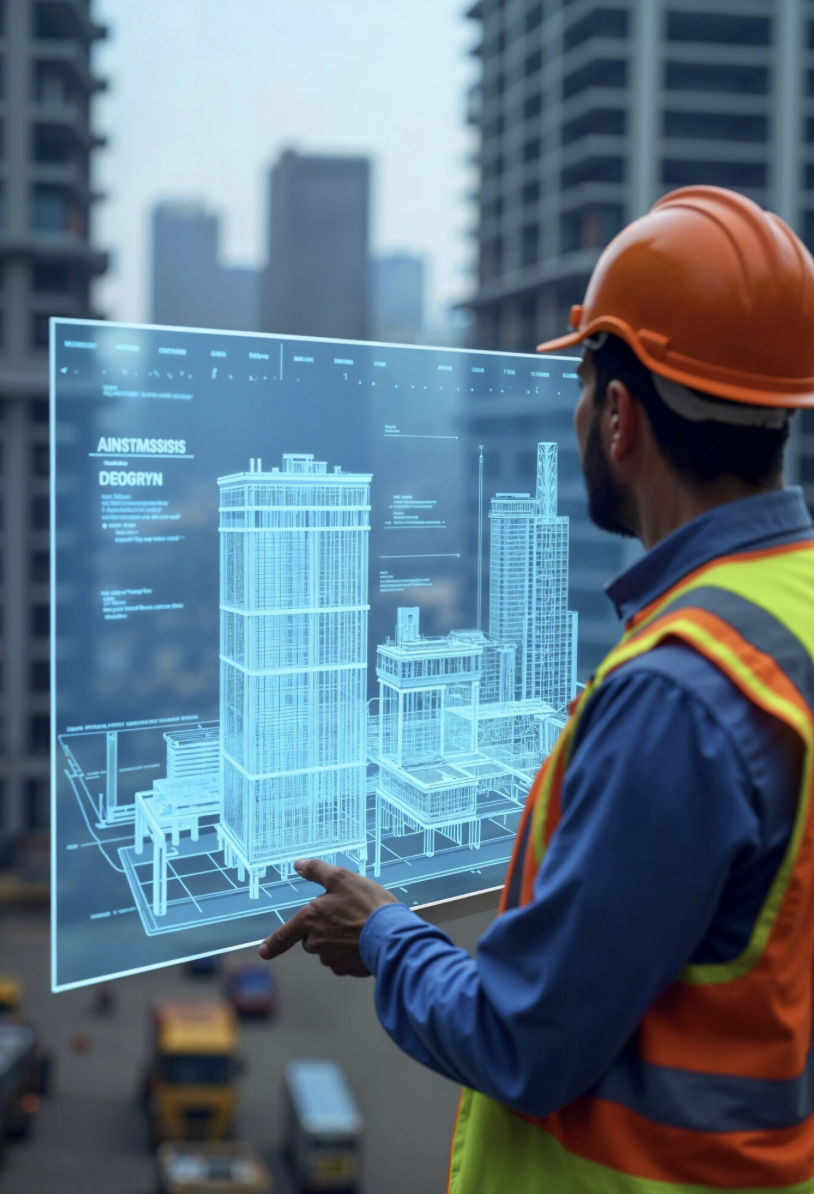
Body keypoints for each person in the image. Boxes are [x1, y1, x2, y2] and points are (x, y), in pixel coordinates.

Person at [258, 186, 814, 1192]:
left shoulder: (682, 689)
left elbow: (523, 1041)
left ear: (615, 416)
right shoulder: (791, 610)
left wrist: (382, 934)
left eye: (581, 391)